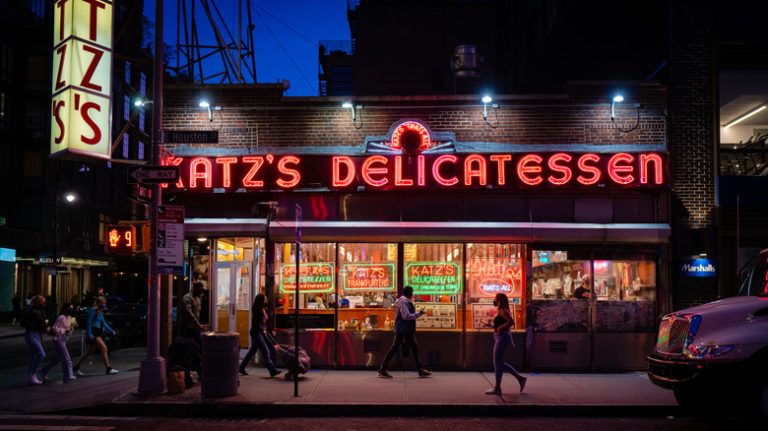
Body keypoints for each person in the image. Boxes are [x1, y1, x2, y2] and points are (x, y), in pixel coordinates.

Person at [377, 285, 432, 378]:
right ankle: (382, 369)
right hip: (403, 329)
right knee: (397, 348)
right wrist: (419, 314)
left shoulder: (405, 301)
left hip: (406, 329)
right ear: (410, 293)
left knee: (413, 348)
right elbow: (406, 316)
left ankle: (420, 370)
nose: (413, 295)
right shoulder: (403, 302)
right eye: (412, 293)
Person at [485, 293, 527, 395]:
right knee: (499, 363)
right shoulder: (500, 310)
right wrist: (492, 325)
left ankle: (498, 388)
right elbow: (500, 324)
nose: (494, 300)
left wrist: (501, 328)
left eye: (495, 298)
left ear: (499, 300)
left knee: (497, 362)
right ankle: (519, 379)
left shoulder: (503, 310)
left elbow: (511, 322)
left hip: (503, 338)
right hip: (500, 337)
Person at [239, 293, 282, 377]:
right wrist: (263, 331)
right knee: (266, 351)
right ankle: (272, 370)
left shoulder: (263, 309)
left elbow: (266, 322)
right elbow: (257, 323)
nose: (266, 299)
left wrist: (271, 329)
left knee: (252, 351)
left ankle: (241, 368)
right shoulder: (257, 310)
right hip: (257, 333)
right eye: (265, 298)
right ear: (261, 300)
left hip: (259, 332)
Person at [73, 298, 119, 375]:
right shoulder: (93, 311)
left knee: (89, 352)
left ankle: (76, 368)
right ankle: (108, 368)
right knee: (104, 348)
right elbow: (89, 322)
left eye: (105, 303)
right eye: (103, 303)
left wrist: (111, 330)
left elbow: (104, 323)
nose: (104, 304)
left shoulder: (100, 312)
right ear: (99, 303)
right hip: (93, 332)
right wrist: (89, 333)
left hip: (97, 332)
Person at [39, 303, 76, 382]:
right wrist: (64, 330)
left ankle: (44, 370)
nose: (71, 310)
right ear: (65, 308)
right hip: (58, 340)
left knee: (57, 358)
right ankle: (68, 375)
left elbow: (67, 330)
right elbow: (55, 328)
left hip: (64, 339)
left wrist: (70, 330)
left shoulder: (69, 318)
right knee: (66, 357)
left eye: (72, 308)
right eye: (70, 308)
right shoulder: (61, 317)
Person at [21, 295, 49, 385]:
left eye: (44, 302)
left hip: (37, 334)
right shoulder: (31, 311)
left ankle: (31, 376)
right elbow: (23, 323)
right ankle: (32, 374)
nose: (44, 304)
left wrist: (45, 327)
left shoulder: (41, 311)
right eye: (42, 302)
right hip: (31, 333)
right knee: (41, 354)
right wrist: (40, 326)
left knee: (33, 356)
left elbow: (43, 323)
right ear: (37, 303)